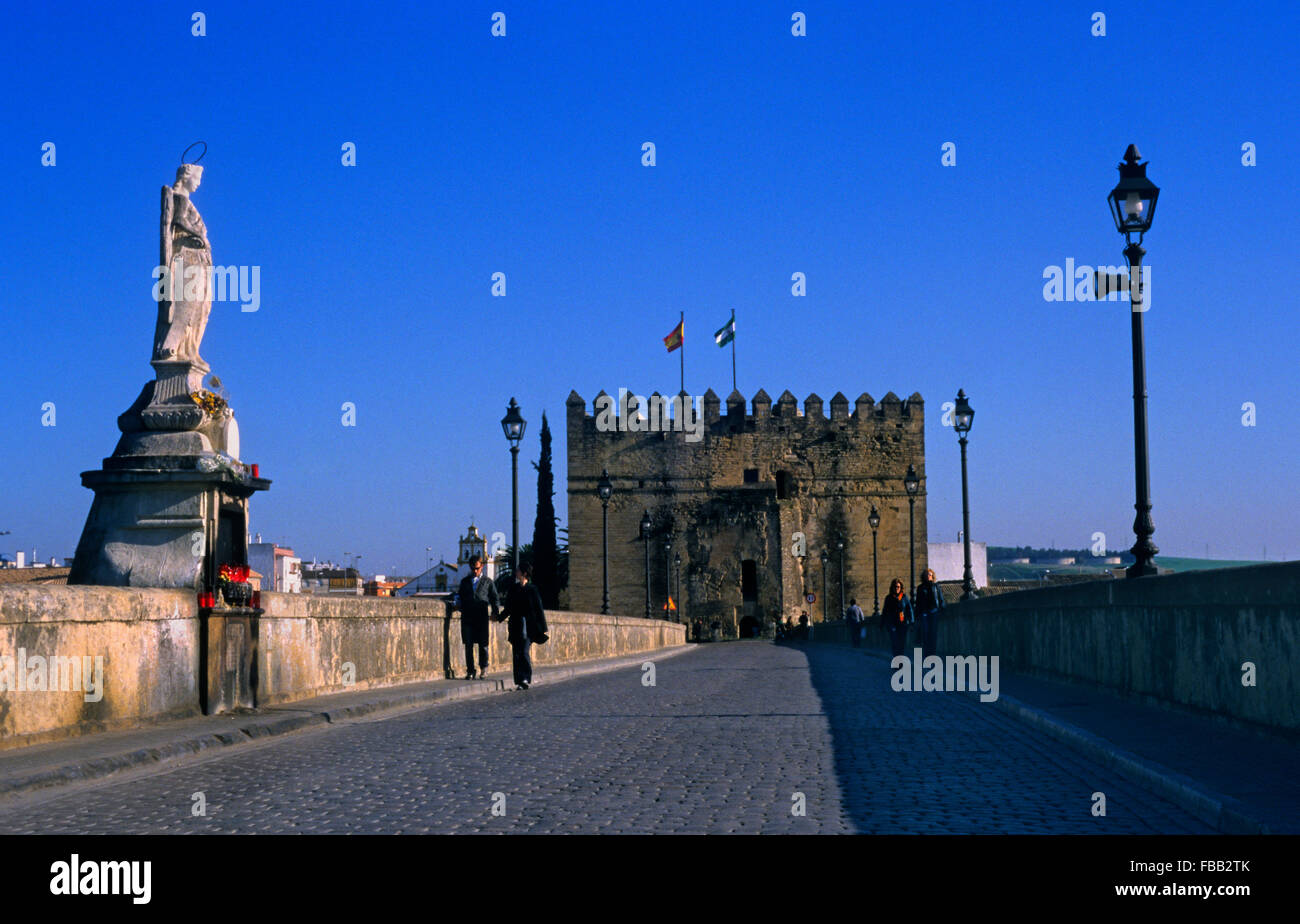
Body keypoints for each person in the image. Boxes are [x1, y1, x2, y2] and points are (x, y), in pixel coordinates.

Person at [503, 564, 547, 690]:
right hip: (515, 624)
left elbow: (539, 609)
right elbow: (508, 608)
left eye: (518, 570)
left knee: (524, 651)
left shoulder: (532, 589)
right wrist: (499, 618)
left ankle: (525, 677)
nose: (515, 572)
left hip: (528, 626)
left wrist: (543, 628)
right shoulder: (513, 589)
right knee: (516, 653)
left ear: (524, 573)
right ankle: (519, 680)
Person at [456, 555, 499, 678]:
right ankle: (470, 670)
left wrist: (495, 612)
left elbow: (494, 598)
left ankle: (484, 667)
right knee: (468, 644)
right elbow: (459, 596)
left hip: (481, 616)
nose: (475, 571)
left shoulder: (487, 582)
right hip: (467, 616)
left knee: (483, 643)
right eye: (473, 568)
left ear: (482, 566)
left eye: (477, 568)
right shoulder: (464, 582)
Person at [913, 568, 945, 659]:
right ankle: (927, 655)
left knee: (933, 633)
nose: (928, 576)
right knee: (925, 633)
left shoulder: (936, 586)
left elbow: (940, 598)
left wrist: (942, 606)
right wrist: (916, 615)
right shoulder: (920, 588)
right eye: (927, 574)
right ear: (924, 576)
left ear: (932, 576)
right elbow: (918, 602)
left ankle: (932, 654)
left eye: (930, 575)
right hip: (924, 613)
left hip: (934, 612)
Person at [880, 578, 913, 658]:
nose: (896, 588)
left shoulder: (904, 597)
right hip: (892, 624)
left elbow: (909, 609)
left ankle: (900, 661)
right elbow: (885, 611)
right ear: (892, 588)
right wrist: (882, 624)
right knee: (895, 643)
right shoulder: (889, 598)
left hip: (902, 623)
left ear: (901, 588)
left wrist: (912, 621)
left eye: (898, 587)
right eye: (895, 587)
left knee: (901, 644)